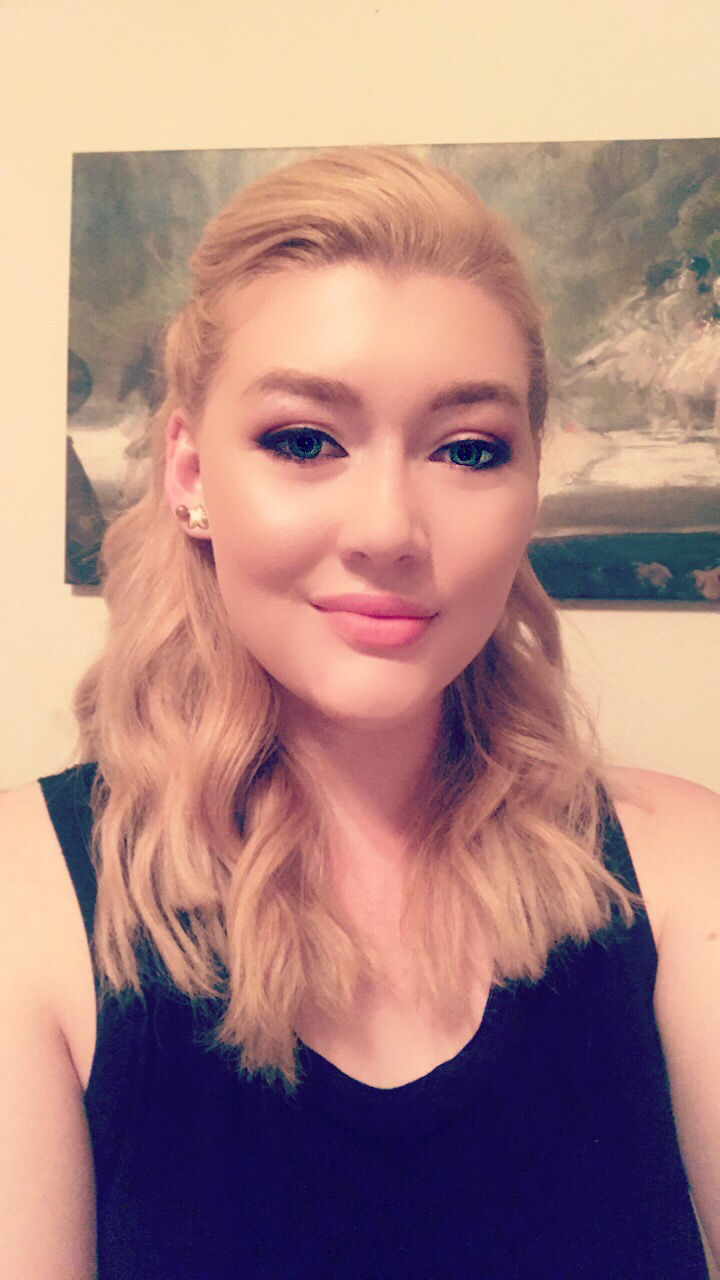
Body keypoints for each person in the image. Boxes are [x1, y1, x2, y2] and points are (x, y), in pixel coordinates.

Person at [1, 147, 718, 1280]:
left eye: (468, 450)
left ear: (531, 484)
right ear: (189, 470)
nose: (389, 528)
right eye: (304, 440)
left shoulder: (686, 875)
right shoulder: (27, 907)